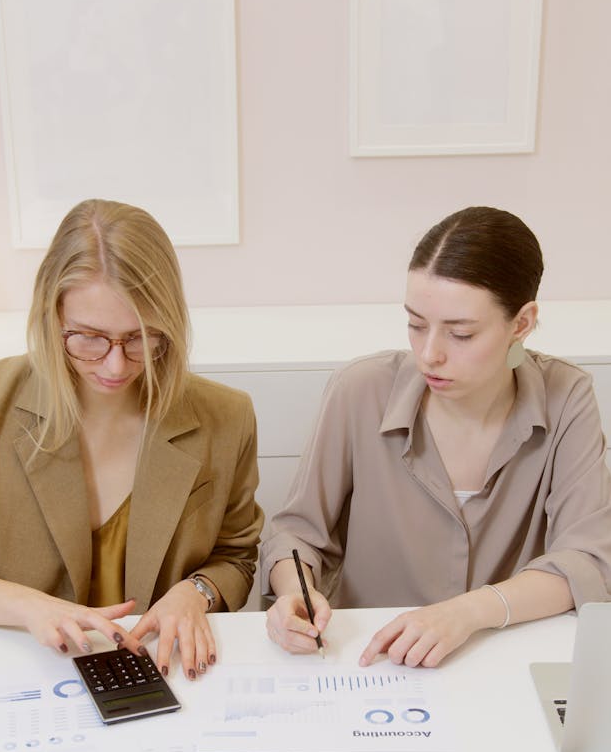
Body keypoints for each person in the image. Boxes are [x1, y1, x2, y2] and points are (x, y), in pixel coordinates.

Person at [0, 199, 263, 678]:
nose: (116, 365)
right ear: (51, 318)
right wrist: (29, 607)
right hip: (20, 669)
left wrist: (195, 592)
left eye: (141, 336)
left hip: (163, 668)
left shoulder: (227, 415)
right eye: (89, 337)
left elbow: (237, 557)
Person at [262, 206, 611, 668]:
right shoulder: (360, 390)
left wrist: (467, 613)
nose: (430, 355)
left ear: (521, 324)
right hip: (369, 663)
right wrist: (293, 594)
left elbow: (588, 561)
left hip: (503, 662)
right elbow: (296, 533)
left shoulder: (567, 397)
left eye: (460, 334)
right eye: (416, 324)